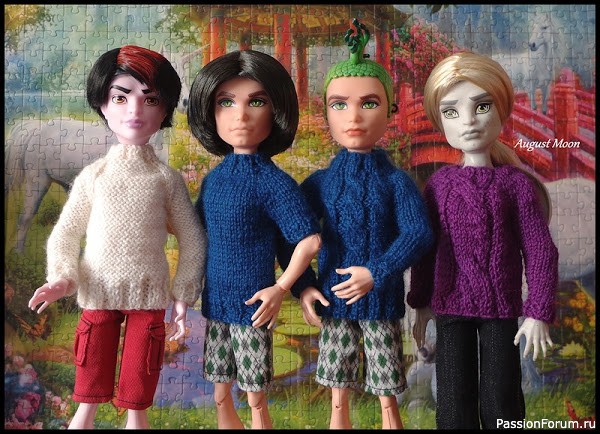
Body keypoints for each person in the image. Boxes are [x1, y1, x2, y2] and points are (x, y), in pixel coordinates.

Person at [28, 45, 207, 429]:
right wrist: (62, 277)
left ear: (165, 109)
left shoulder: (165, 180)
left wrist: (183, 292)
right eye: (121, 97)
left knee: (143, 365)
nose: (135, 110)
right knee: (92, 359)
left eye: (150, 99)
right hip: (97, 290)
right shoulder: (94, 176)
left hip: (149, 293)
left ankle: (136, 418)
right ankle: (84, 415)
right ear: (102, 104)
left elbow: (191, 237)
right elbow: (65, 231)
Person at [289, 18, 434, 429]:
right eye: (340, 104)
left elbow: (418, 233)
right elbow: (293, 235)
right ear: (326, 112)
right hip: (334, 301)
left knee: (387, 384)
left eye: (369, 103)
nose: (353, 116)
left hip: (381, 300)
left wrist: (377, 271)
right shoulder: (319, 183)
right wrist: (303, 285)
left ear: (389, 111)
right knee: (338, 386)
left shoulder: (395, 182)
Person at [407, 51, 559, 429]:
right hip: (450, 306)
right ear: (440, 121)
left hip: (501, 309)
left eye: (482, 106)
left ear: (501, 109)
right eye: (451, 111)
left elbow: (540, 250)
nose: (469, 121)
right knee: (453, 402)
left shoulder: (516, 185)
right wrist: (420, 302)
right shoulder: (440, 185)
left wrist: (538, 310)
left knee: (501, 399)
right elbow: (427, 250)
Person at [187, 49, 321, 429]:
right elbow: (195, 230)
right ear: (210, 112)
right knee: (220, 390)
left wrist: (285, 288)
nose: (240, 115)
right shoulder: (214, 179)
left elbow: (307, 240)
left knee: (255, 393)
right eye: (226, 102)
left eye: (256, 102)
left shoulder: (273, 182)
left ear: (276, 110)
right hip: (216, 304)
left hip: (253, 306)